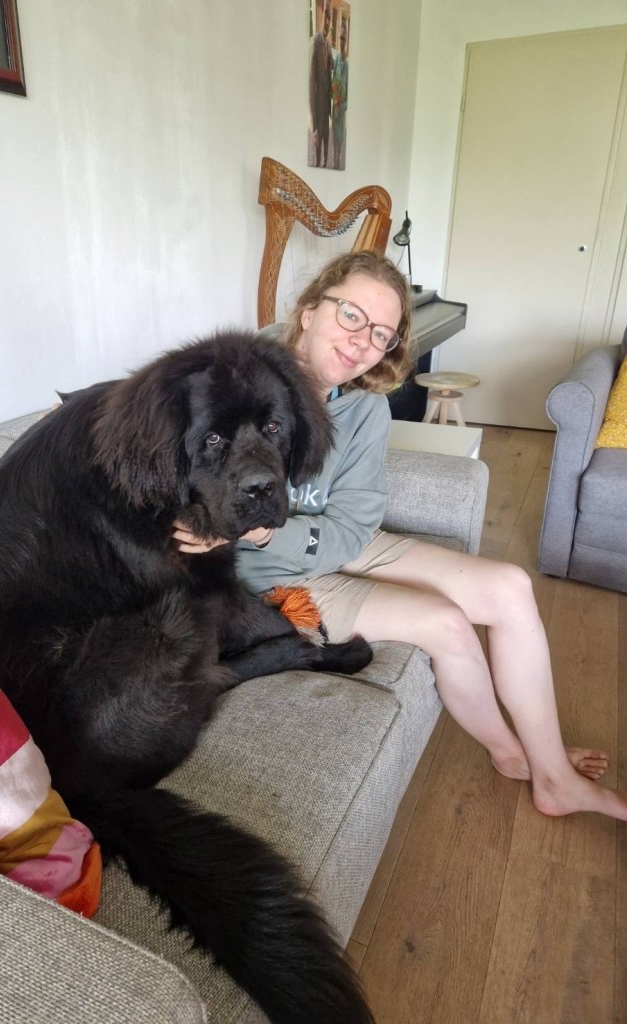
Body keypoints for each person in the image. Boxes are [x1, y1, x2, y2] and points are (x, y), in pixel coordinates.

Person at [173, 249, 627, 824]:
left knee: (511, 586)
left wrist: (274, 532)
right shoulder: (231, 375)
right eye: (351, 316)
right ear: (310, 309)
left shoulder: (364, 407)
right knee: (446, 624)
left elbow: (354, 524)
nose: (363, 342)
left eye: (382, 334)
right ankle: (514, 755)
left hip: (329, 541)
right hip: (265, 582)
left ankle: (554, 776)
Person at [309, 1, 333, 167]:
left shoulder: (329, 46)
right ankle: (318, 161)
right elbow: (311, 81)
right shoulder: (315, 42)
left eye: (329, 17)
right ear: (320, 15)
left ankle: (324, 161)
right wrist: (313, 124)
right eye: (325, 15)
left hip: (326, 107)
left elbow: (329, 71)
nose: (327, 21)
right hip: (317, 106)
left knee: (326, 146)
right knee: (316, 154)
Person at [330, 19, 349, 169]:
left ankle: (338, 162)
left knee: (339, 142)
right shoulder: (336, 60)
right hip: (334, 109)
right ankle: (335, 161)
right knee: (334, 147)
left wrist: (340, 107)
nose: (341, 41)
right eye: (340, 38)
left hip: (341, 112)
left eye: (344, 38)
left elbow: (349, 99)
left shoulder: (347, 65)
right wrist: (333, 98)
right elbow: (333, 83)